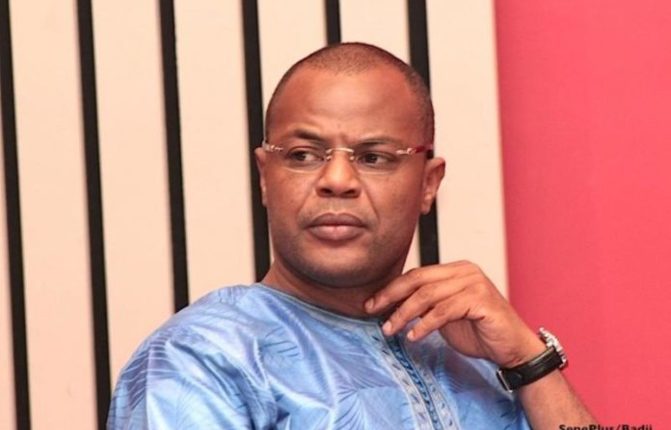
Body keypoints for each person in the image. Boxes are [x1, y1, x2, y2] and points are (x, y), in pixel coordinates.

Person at [108, 42, 594, 429]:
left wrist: (530, 361)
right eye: (302, 155)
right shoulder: (204, 358)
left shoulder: (471, 351)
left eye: (373, 157)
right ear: (265, 176)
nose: (337, 180)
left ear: (428, 184)